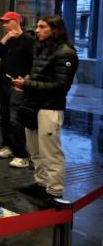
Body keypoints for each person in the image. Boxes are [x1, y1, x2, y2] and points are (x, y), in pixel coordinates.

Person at [13, 16, 78, 205]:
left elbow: (60, 85)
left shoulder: (66, 53)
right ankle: (41, 184)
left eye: (42, 27)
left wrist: (27, 84)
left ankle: (55, 192)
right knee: (35, 150)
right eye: (37, 26)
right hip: (33, 106)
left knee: (51, 152)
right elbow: (40, 76)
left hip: (50, 108)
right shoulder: (43, 48)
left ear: (54, 29)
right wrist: (26, 83)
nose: (37, 30)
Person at [0, 11, 35, 168]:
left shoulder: (28, 39)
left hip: (17, 85)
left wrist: (26, 79)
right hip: (3, 83)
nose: (3, 24)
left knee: (15, 119)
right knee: (4, 117)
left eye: (7, 21)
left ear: (16, 21)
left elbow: (34, 61)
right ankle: (7, 146)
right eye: (3, 22)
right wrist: (6, 38)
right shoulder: (8, 39)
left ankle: (21, 155)